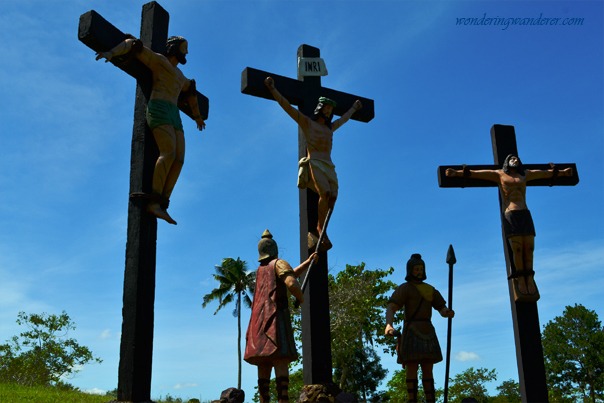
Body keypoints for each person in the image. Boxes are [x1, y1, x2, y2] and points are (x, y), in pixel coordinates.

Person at [96, 35, 206, 225]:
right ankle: (154, 201)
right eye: (184, 47)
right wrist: (111, 52)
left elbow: (191, 93)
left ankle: (162, 202)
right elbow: (134, 45)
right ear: (174, 48)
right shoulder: (160, 61)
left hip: (174, 113)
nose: (186, 52)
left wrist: (197, 116)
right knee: (168, 153)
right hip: (159, 107)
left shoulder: (180, 77)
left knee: (179, 159)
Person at [445, 154, 572, 301]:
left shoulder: (525, 175)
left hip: (525, 213)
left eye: (517, 159)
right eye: (512, 159)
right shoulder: (499, 175)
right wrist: (456, 173)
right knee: (517, 249)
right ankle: (519, 278)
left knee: (529, 248)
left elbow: (544, 173)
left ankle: (529, 277)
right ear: (506, 162)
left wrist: (562, 173)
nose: (515, 160)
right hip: (511, 214)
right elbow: (476, 174)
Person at [264, 76, 362, 250]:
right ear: (320, 107)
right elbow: (288, 107)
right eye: (327, 107)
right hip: (315, 162)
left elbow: (344, 119)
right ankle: (319, 229)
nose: (329, 110)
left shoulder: (330, 128)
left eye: (331, 108)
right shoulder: (308, 123)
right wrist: (273, 90)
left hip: (329, 165)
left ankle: (323, 228)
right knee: (324, 193)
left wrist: (354, 108)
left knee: (333, 197)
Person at [244, 230, 318, 403]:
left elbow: (290, 274)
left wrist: (308, 263)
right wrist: (301, 298)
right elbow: (291, 282)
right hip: (275, 319)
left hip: (258, 324)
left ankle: (264, 400)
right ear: (275, 249)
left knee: (263, 362)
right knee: (280, 358)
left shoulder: (260, 270)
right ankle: (283, 400)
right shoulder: (278, 263)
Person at [385, 253, 454, 403]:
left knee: (428, 368)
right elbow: (391, 307)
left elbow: (441, 308)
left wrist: (446, 312)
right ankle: (412, 400)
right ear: (410, 270)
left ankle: (431, 399)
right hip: (411, 331)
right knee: (411, 367)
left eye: (421, 269)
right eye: (416, 269)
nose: (419, 271)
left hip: (427, 330)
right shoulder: (405, 288)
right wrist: (389, 324)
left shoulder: (430, 290)